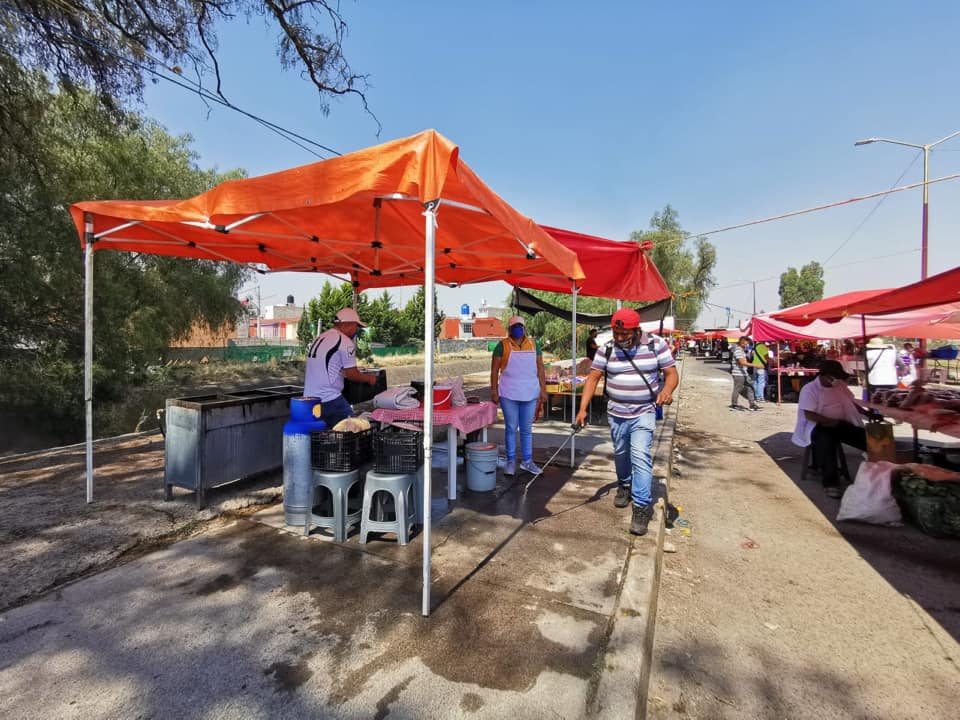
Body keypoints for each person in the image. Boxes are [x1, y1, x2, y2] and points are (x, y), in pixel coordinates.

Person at [575, 308, 678, 536]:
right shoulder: (607, 348)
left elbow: (671, 374)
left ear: (636, 330)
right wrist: (582, 409)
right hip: (616, 412)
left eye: (624, 333)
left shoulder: (655, 344)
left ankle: (641, 507)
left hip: (644, 411)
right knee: (621, 452)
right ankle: (624, 484)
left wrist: (667, 391)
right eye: (616, 332)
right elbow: (593, 378)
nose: (619, 337)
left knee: (640, 454)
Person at [791, 360, 873, 498]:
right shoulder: (810, 389)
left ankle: (882, 473)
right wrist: (828, 421)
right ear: (824, 375)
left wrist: (865, 412)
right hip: (817, 425)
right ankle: (831, 483)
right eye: (832, 377)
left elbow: (851, 402)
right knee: (827, 443)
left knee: (866, 438)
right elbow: (809, 414)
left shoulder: (839, 386)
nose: (834, 380)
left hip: (839, 423)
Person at [490, 315, 548, 476]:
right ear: (509, 329)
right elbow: (494, 370)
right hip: (509, 393)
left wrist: (543, 390)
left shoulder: (534, 344)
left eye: (520, 326)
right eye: (514, 326)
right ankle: (510, 461)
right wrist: (494, 391)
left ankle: (527, 461)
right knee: (510, 427)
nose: (517, 329)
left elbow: (540, 368)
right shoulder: (502, 346)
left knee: (526, 429)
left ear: (524, 328)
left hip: (530, 392)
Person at [303, 307, 378, 427]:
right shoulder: (345, 342)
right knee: (354, 430)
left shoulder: (321, 337)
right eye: (356, 326)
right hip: (329, 399)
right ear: (348, 324)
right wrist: (370, 378)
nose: (356, 330)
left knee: (321, 437)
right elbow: (352, 375)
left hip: (309, 399)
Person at [731, 336, 762, 411]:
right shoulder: (738, 350)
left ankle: (752, 404)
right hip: (738, 373)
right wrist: (756, 365)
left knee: (750, 388)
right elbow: (742, 362)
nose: (747, 345)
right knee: (737, 389)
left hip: (744, 373)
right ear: (742, 343)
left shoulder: (742, 350)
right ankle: (734, 404)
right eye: (746, 344)